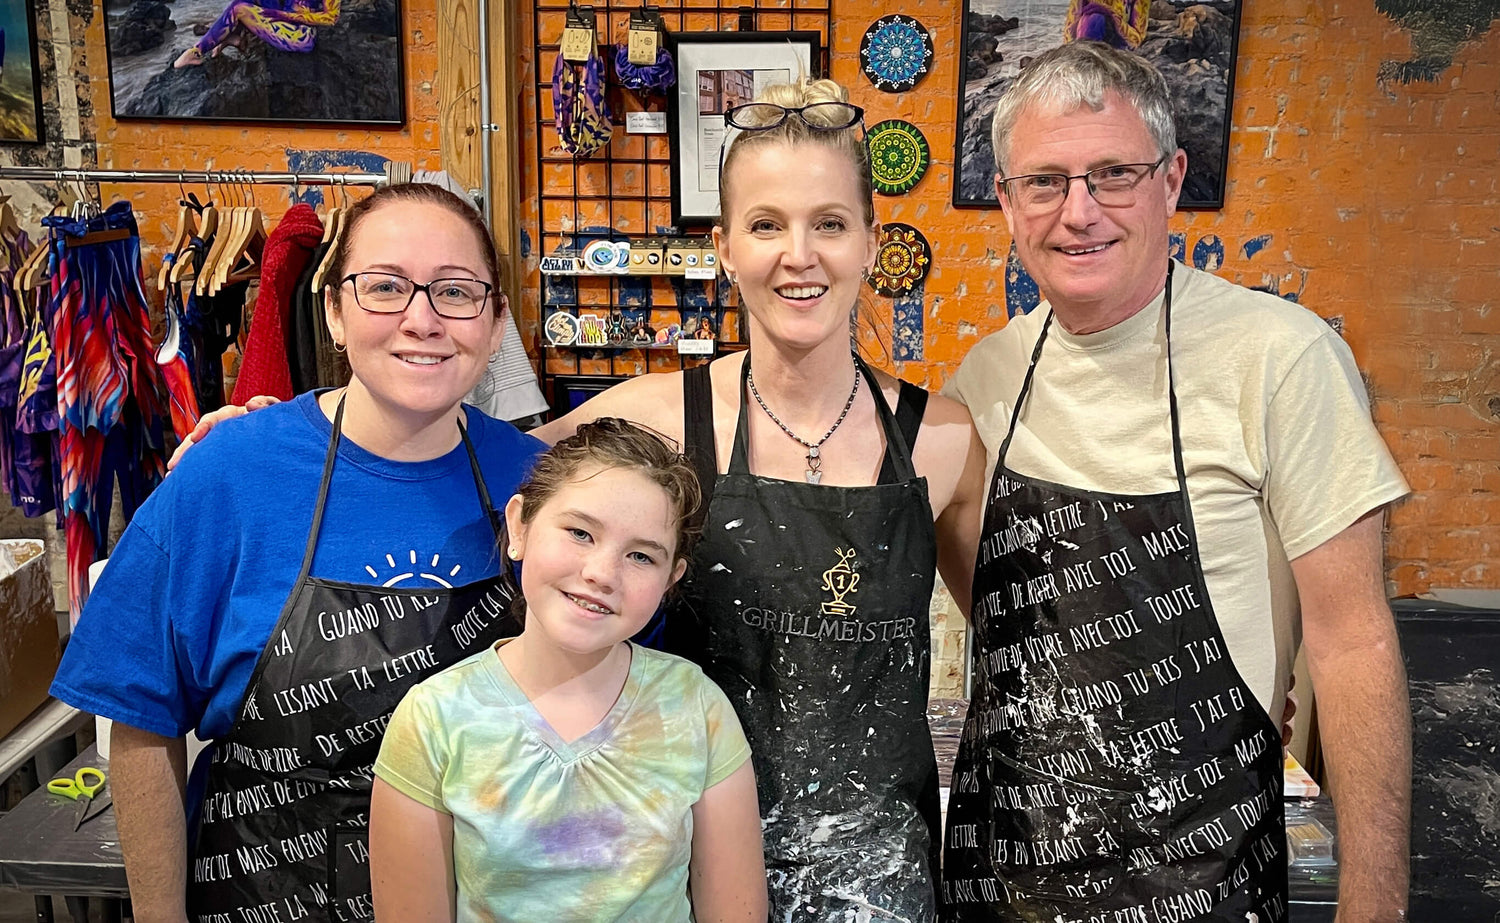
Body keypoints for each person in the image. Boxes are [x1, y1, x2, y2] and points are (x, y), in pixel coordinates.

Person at [175, 77, 988, 920]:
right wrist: (295, 435)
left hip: (878, 883)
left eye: (829, 223)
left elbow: (1007, 647)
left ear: (870, 239)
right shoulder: (652, 416)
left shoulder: (946, 441)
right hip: (666, 864)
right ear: (724, 247)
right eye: (766, 224)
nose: (799, 253)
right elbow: (453, 458)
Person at [939, 41, 1411, 921]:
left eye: (1113, 173)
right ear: (1005, 201)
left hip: (1205, 884)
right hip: (1003, 882)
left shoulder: (1280, 357)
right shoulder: (985, 378)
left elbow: (1355, 644)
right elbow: (998, 612)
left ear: (1171, 179)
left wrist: (1375, 905)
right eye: (1045, 181)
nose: (1079, 212)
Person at [50, 182, 547, 923]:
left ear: (495, 321)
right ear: (334, 313)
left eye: (455, 291)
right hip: (265, 895)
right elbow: (141, 717)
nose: (422, 319)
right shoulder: (228, 475)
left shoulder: (539, 484)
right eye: (384, 287)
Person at [369, 418, 766, 922]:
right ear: (520, 527)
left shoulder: (697, 708)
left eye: (641, 556)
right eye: (580, 532)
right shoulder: (435, 719)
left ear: (672, 579)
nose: (602, 573)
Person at [174, 0, 339, 67]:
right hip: (281, 21)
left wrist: (285, 16)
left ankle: (196, 51)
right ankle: (232, 36)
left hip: (300, 35)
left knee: (238, 9)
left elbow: (331, 17)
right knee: (241, 4)